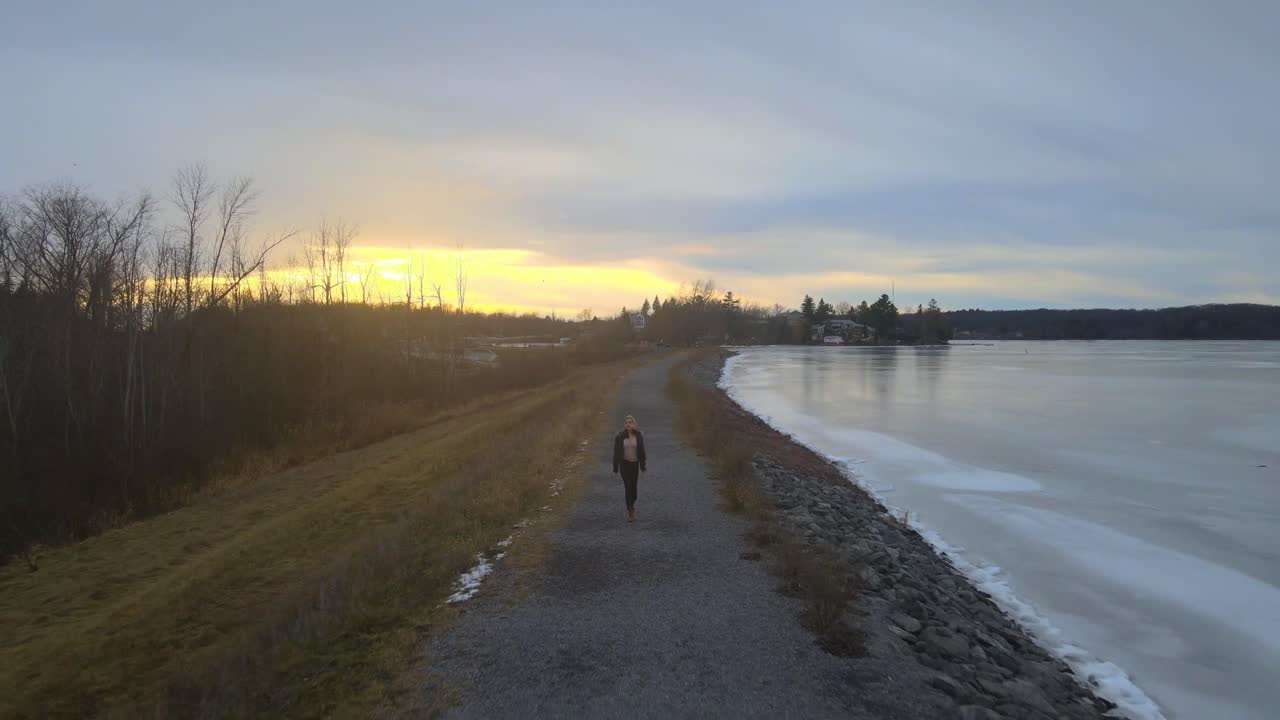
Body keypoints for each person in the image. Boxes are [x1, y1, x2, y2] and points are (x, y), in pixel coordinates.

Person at [612, 415, 647, 522]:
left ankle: (632, 502)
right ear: (624, 424)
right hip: (624, 464)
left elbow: (642, 452)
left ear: (634, 424)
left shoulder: (639, 436)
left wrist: (642, 465)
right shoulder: (620, 436)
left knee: (633, 487)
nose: (628, 424)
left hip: (634, 464)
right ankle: (630, 510)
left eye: (630, 422)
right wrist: (615, 467)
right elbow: (616, 452)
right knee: (628, 486)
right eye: (626, 422)